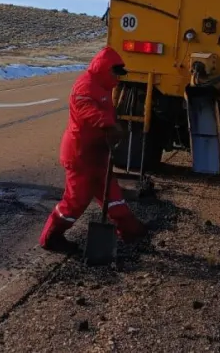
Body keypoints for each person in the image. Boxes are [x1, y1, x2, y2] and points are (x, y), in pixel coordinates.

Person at [39, 46, 148, 253]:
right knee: (75, 202)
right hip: (80, 155)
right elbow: (86, 109)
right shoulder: (85, 85)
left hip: (98, 154)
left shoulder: (103, 86)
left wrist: (112, 128)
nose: (118, 78)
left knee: (112, 194)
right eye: (115, 73)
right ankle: (51, 238)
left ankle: (130, 230)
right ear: (105, 69)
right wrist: (109, 124)